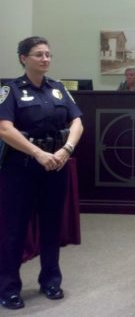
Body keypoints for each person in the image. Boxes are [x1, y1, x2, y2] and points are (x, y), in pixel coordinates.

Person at [0, 36, 84, 310]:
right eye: (39, 55)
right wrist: (37, 153)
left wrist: (66, 149)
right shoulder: (11, 90)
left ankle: (50, 281)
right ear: (24, 58)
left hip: (56, 165)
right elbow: (4, 129)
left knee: (51, 227)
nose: (45, 59)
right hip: (21, 169)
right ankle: (9, 288)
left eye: (48, 54)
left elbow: (77, 121)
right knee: (14, 229)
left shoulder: (58, 89)